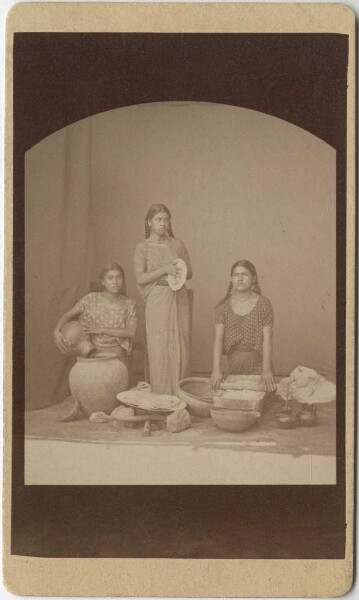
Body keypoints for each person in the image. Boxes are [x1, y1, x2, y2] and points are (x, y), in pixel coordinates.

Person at [134, 204, 192, 394]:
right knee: (159, 347)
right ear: (149, 222)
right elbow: (140, 278)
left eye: (166, 219)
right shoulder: (143, 247)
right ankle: (161, 395)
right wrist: (164, 270)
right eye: (158, 219)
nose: (162, 223)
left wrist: (179, 268)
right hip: (157, 299)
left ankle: (180, 395)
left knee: (181, 344)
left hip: (178, 297)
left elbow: (190, 272)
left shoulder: (177, 244)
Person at [53, 263, 137, 388]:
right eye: (110, 278)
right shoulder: (91, 299)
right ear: (103, 282)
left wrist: (102, 329)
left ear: (123, 280)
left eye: (118, 277)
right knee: (93, 388)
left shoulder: (129, 304)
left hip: (117, 353)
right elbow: (67, 315)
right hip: (92, 350)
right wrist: (56, 331)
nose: (115, 281)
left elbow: (131, 332)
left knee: (114, 389)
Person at [210, 260, 276, 392]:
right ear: (231, 279)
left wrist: (267, 370)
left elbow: (267, 338)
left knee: (260, 402)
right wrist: (216, 370)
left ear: (254, 278)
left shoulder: (264, 304)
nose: (240, 279)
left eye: (245, 274)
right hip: (234, 365)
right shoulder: (223, 306)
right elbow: (219, 339)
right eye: (236, 275)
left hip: (259, 364)